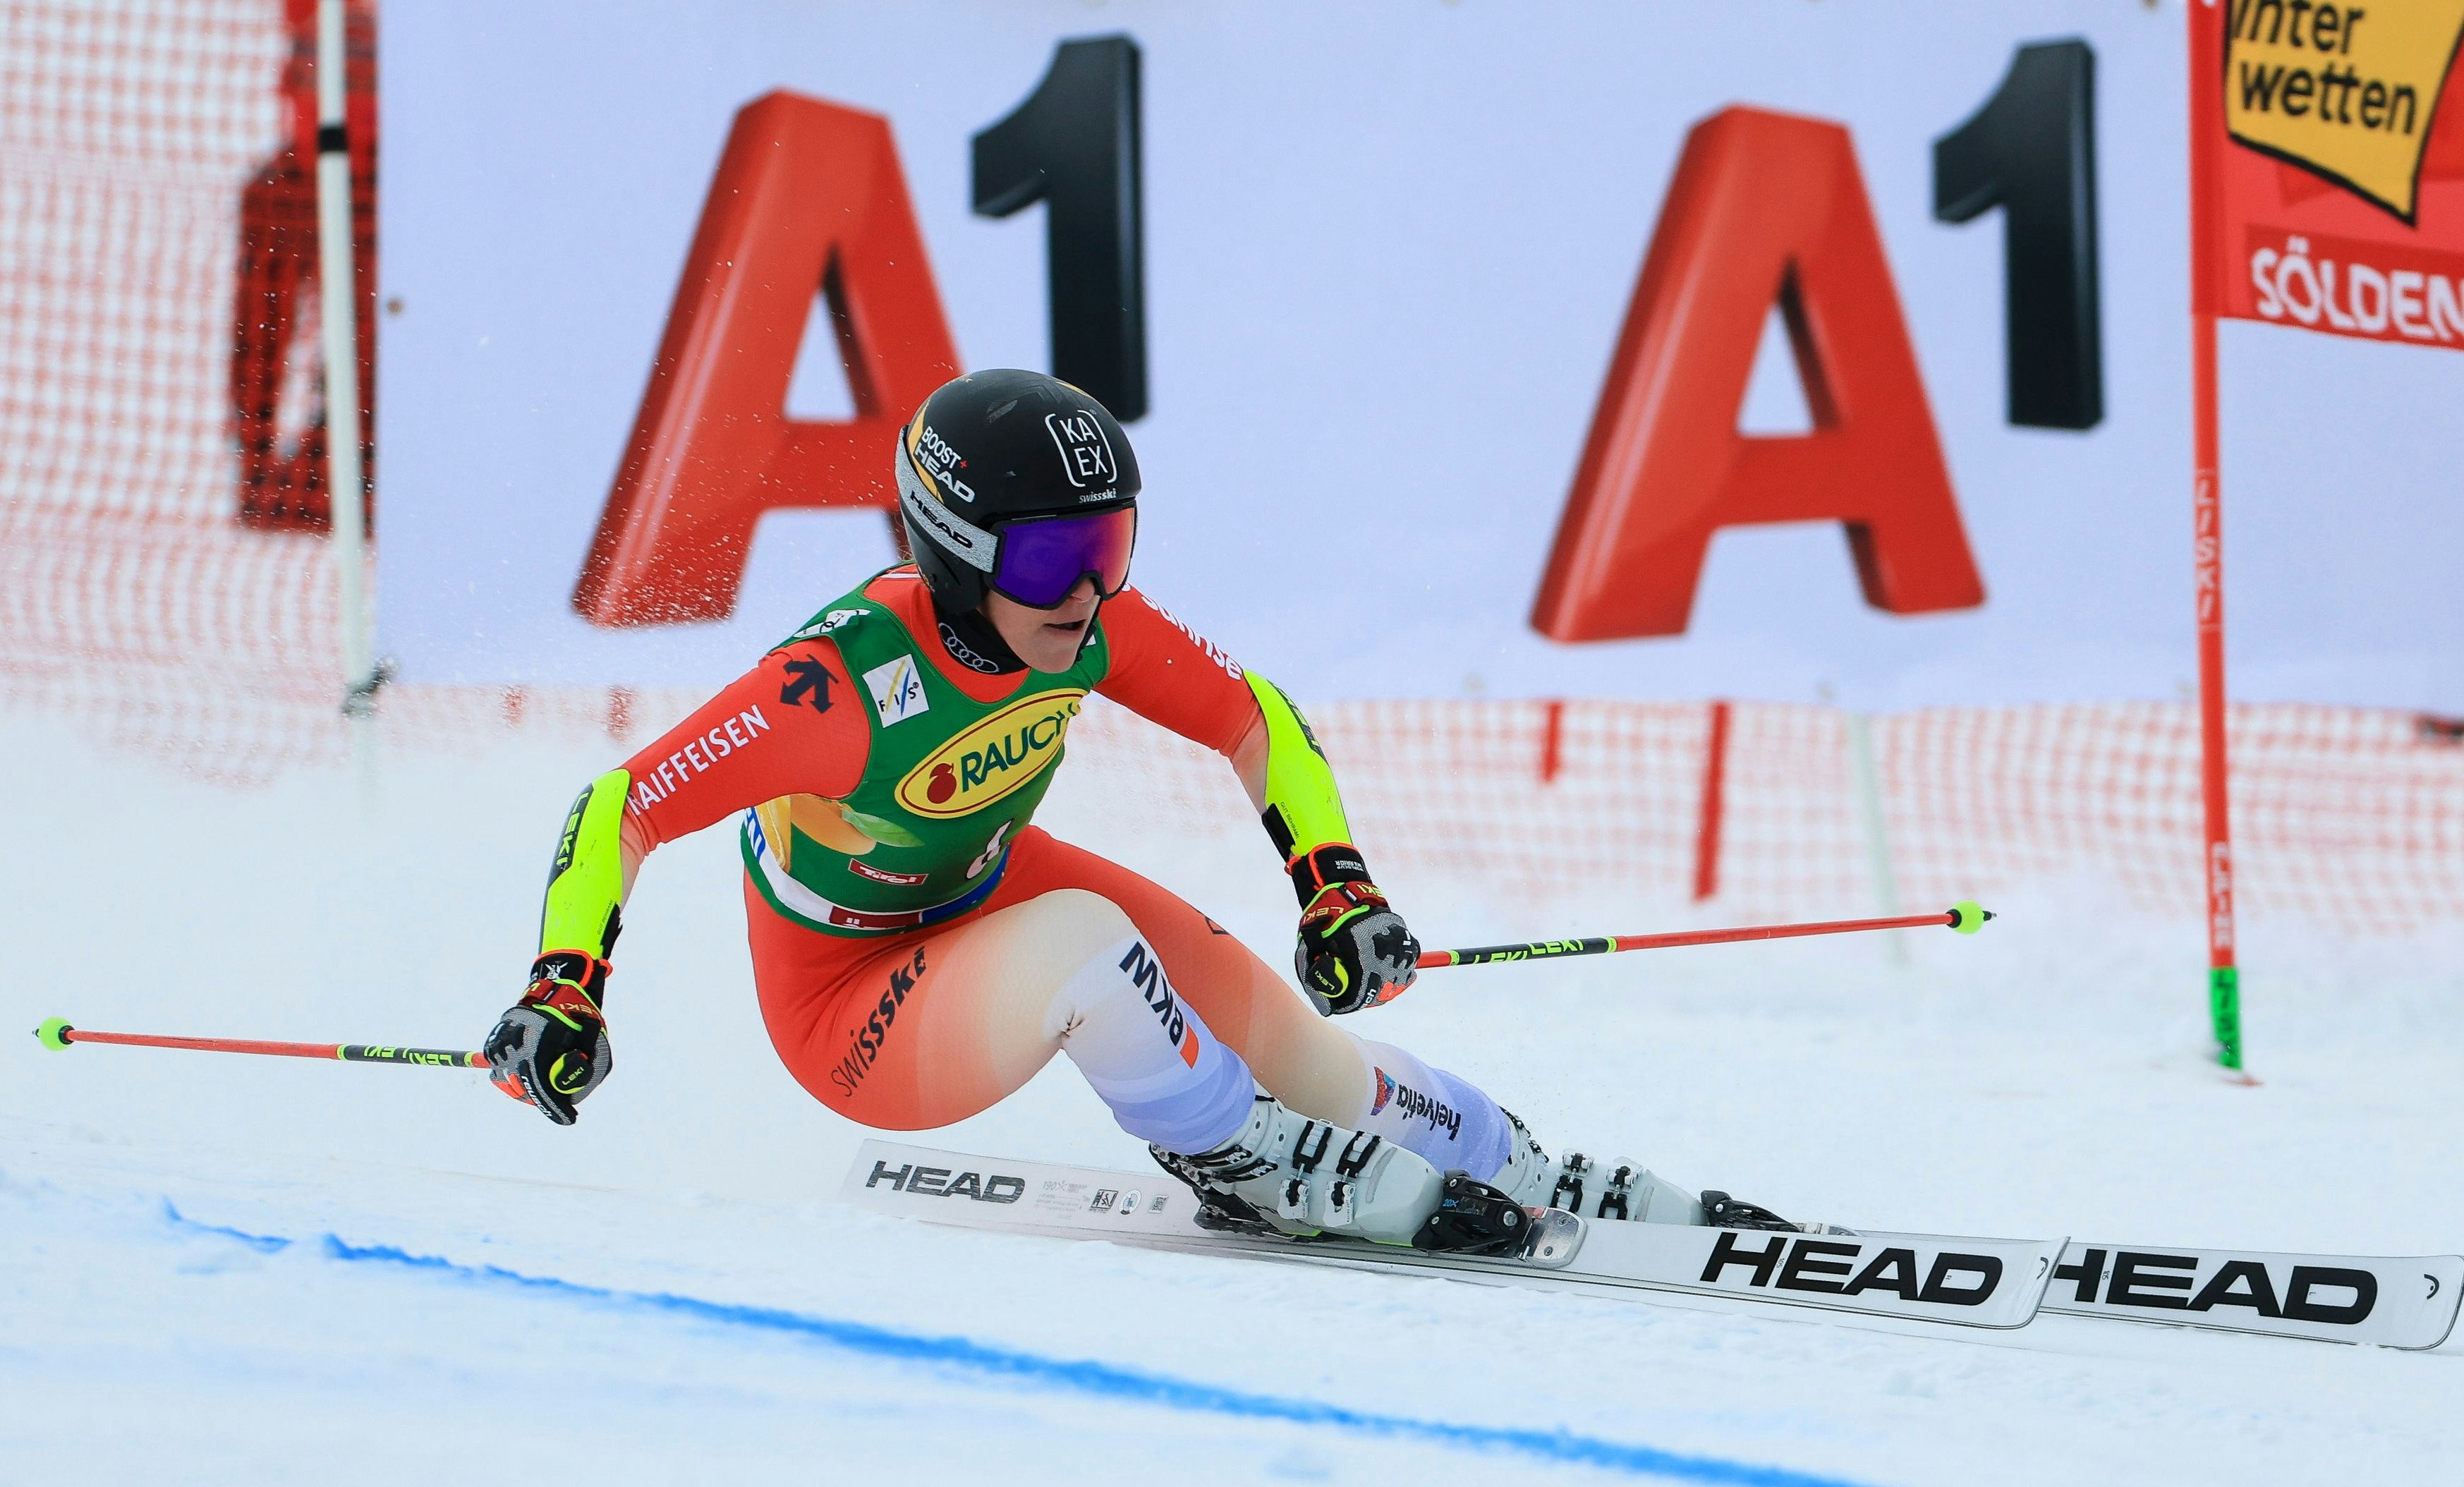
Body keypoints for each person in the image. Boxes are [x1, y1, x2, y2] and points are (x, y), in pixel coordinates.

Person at [483, 369, 1791, 1251]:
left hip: (990, 897)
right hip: (855, 1007)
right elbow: (623, 804)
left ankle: (1510, 1156)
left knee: (1297, 1050)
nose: (1089, 593)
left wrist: (1334, 881)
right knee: (1089, 943)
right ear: (953, 547)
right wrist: (564, 985)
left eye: (1109, 548)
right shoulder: (838, 688)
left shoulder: (1083, 627)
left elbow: (1254, 717)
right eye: (1054, 555)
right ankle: (1231, 1156)